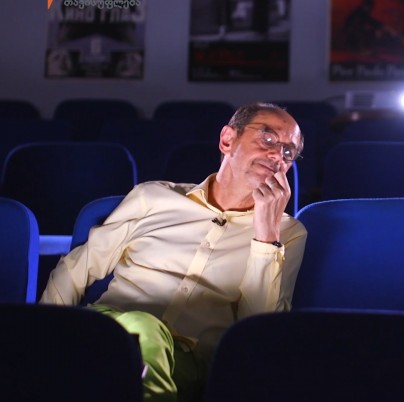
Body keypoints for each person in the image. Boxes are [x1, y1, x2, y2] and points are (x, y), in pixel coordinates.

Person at [40, 102, 307, 402]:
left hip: (187, 362)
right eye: (268, 138)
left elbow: (258, 330)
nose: (277, 156)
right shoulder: (153, 197)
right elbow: (76, 269)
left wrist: (266, 236)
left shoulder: (288, 233)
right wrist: (45, 338)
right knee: (139, 330)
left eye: (289, 152)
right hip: (109, 331)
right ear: (227, 140)